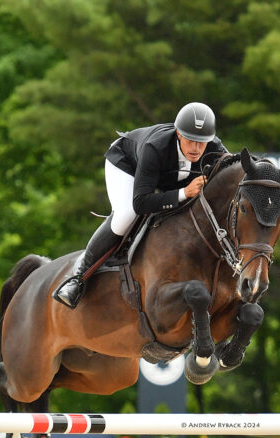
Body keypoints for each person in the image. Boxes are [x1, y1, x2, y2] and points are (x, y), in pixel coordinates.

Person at [53, 101, 229, 308]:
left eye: (202, 142)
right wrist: (183, 193)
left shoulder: (214, 148)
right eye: (190, 140)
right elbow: (141, 202)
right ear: (179, 134)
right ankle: (78, 276)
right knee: (127, 214)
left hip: (167, 177)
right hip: (127, 164)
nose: (197, 148)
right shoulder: (155, 147)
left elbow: (235, 170)